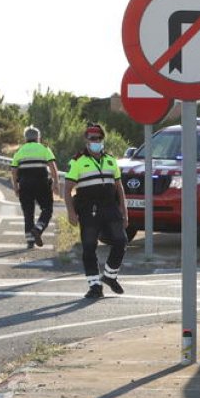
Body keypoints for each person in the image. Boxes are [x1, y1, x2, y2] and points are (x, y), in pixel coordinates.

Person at [63, 124, 127, 300]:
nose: (96, 141)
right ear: (86, 141)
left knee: (121, 241)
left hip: (110, 207)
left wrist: (124, 211)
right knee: (89, 247)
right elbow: (67, 189)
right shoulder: (77, 161)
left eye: (98, 138)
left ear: (102, 139)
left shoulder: (110, 160)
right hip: (88, 210)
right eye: (92, 139)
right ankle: (94, 286)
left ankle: (109, 275)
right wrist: (71, 213)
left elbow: (119, 187)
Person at [9, 126, 59, 249]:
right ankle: (39, 228)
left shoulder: (19, 151)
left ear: (25, 139)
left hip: (25, 185)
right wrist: (55, 182)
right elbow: (53, 167)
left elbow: (14, 171)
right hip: (42, 183)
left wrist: (16, 186)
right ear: (38, 138)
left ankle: (30, 241)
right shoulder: (44, 148)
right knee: (47, 209)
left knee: (28, 213)